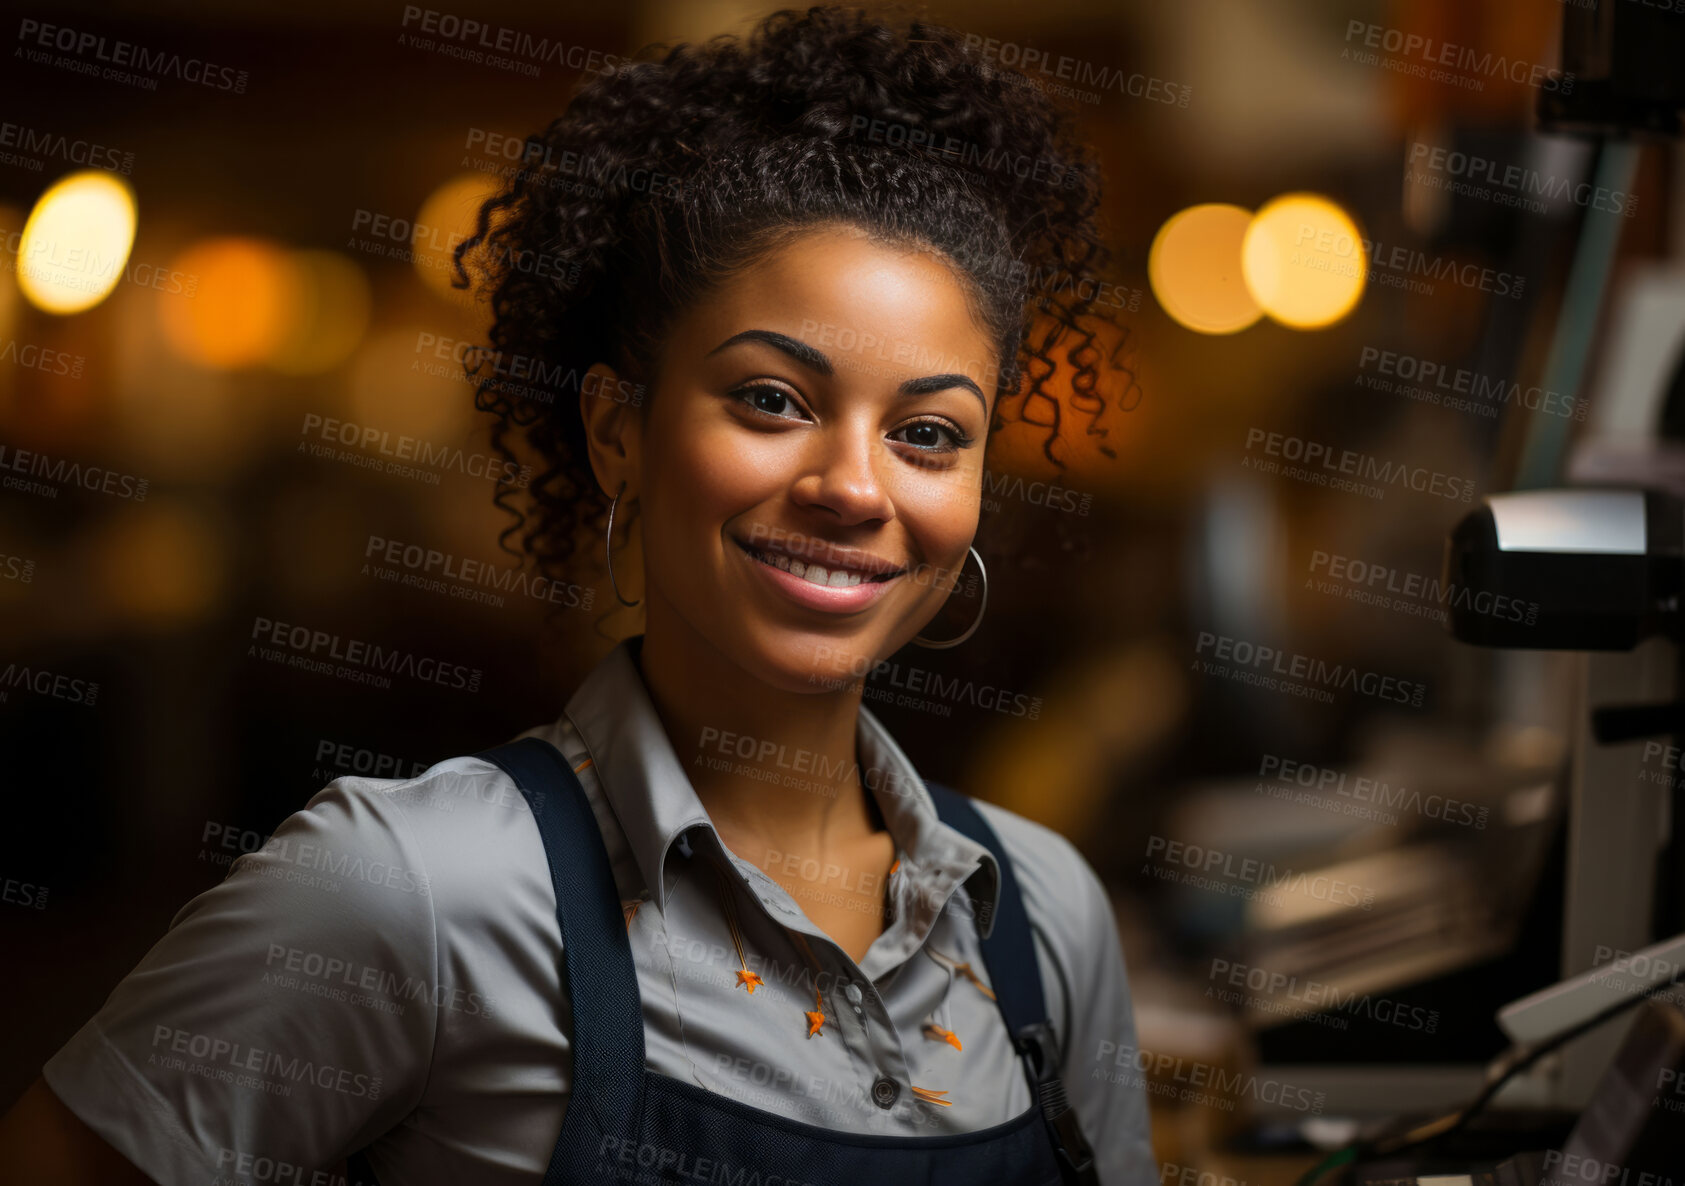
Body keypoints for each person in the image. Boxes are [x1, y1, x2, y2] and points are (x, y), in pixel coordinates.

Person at [0, 6, 1153, 1183]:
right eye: (770, 400)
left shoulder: (1042, 913)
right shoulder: (413, 889)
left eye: (925, 432)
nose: (854, 486)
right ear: (617, 432)